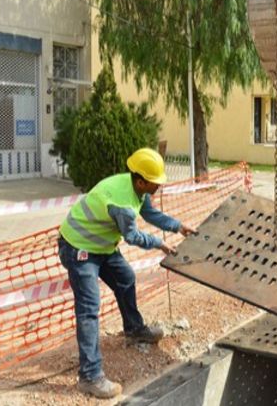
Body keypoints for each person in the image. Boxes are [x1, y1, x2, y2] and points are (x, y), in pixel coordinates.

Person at [58, 148, 195, 398]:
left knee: (126, 278)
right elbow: (132, 236)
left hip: (102, 245)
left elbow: (150, 213)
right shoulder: (122, 204)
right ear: (141, 180)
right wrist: (160, 244)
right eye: (156, 182)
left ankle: (134, 330)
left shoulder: (136, 188)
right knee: (89, 308)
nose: (159, 186)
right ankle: (89, 376)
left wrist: (178, 227)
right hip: (79, 247)